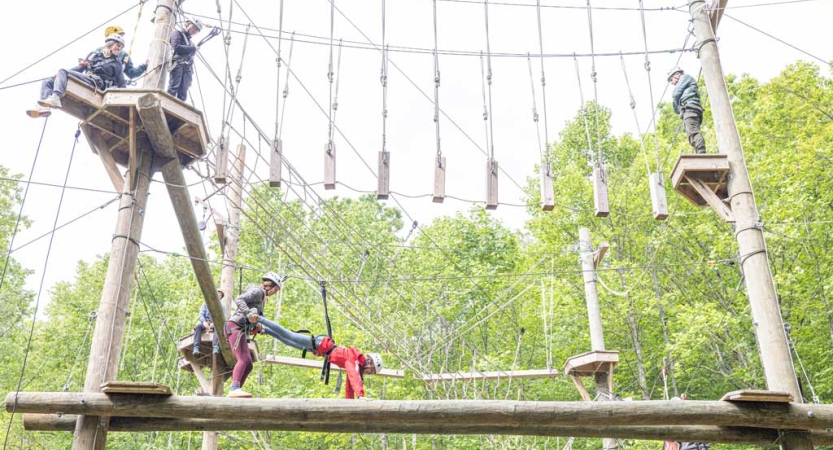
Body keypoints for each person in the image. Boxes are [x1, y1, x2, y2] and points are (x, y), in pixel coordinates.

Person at [256, 316, 383, 400]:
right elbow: (354, 377)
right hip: (320, 344)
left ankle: (263, 330)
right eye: (371, 371)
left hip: (319, 349)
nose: (369, 373)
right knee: (289, 335)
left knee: (288, 342)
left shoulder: (356, 365)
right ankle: (259, 318)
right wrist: (360, 395)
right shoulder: (354, 360)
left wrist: (350, 403)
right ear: (369, 364)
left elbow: (350, 384)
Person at [28, 34, 126, 118]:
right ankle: (43, 107)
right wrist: (60, 75)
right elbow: (80, 68)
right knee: (48, 81)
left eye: (121, 47)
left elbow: (122, 84)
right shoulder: (95, 55)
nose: (119, 49)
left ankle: (55, 97)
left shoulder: (117, 64)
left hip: (96, 84)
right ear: (110, 43)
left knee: (62, 71)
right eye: (118, 45)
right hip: (87, 78)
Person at [224, 272, 283, 398]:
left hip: (241, 328)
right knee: (243, 359)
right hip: (235, 326)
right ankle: (234, 389)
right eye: (275, 290)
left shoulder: (261, 298)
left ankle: (237, 390)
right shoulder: (258, 292)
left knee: (249, 364)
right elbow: (239, 299)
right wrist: (249, 314)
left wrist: (257, 327)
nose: (275, 293)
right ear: (269, 286)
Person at [668, 67, 707, 154]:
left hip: (690, 107)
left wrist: (676, 101)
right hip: (688, 109)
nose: (671, 82)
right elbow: (676, 110)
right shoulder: (684, 83)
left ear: (678, 74)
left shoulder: (685, 77)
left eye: (671, 79)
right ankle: (699, 153)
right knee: (691, 134)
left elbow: (675, 94)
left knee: (693, 132)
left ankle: (702, 153)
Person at [167, 18, 204, 101]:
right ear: (187, 24)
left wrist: (190, 78)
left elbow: (191, 60)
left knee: (183, 93)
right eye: (194, 27)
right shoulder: (177, 34)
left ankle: (177, 110)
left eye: (197, 30)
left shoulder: (190, 43)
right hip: (178, 63)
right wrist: (193, 48)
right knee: (174, 87)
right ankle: (167, 105)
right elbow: (176, 47)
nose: (195, 30)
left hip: (187, 68)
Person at [192, 289, 225, 356]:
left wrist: (214, 323)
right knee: (198, 325)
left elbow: (221, 318)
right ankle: (196, 347)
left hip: (215, 324)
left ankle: (215, 347)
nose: (218, 295)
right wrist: (204, 322)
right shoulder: (205, 304)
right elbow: (201, 314)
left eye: (220, 294)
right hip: (205, 322)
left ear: (221, 297)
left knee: (218, 328)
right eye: (217, 293)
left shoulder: (222, 307)